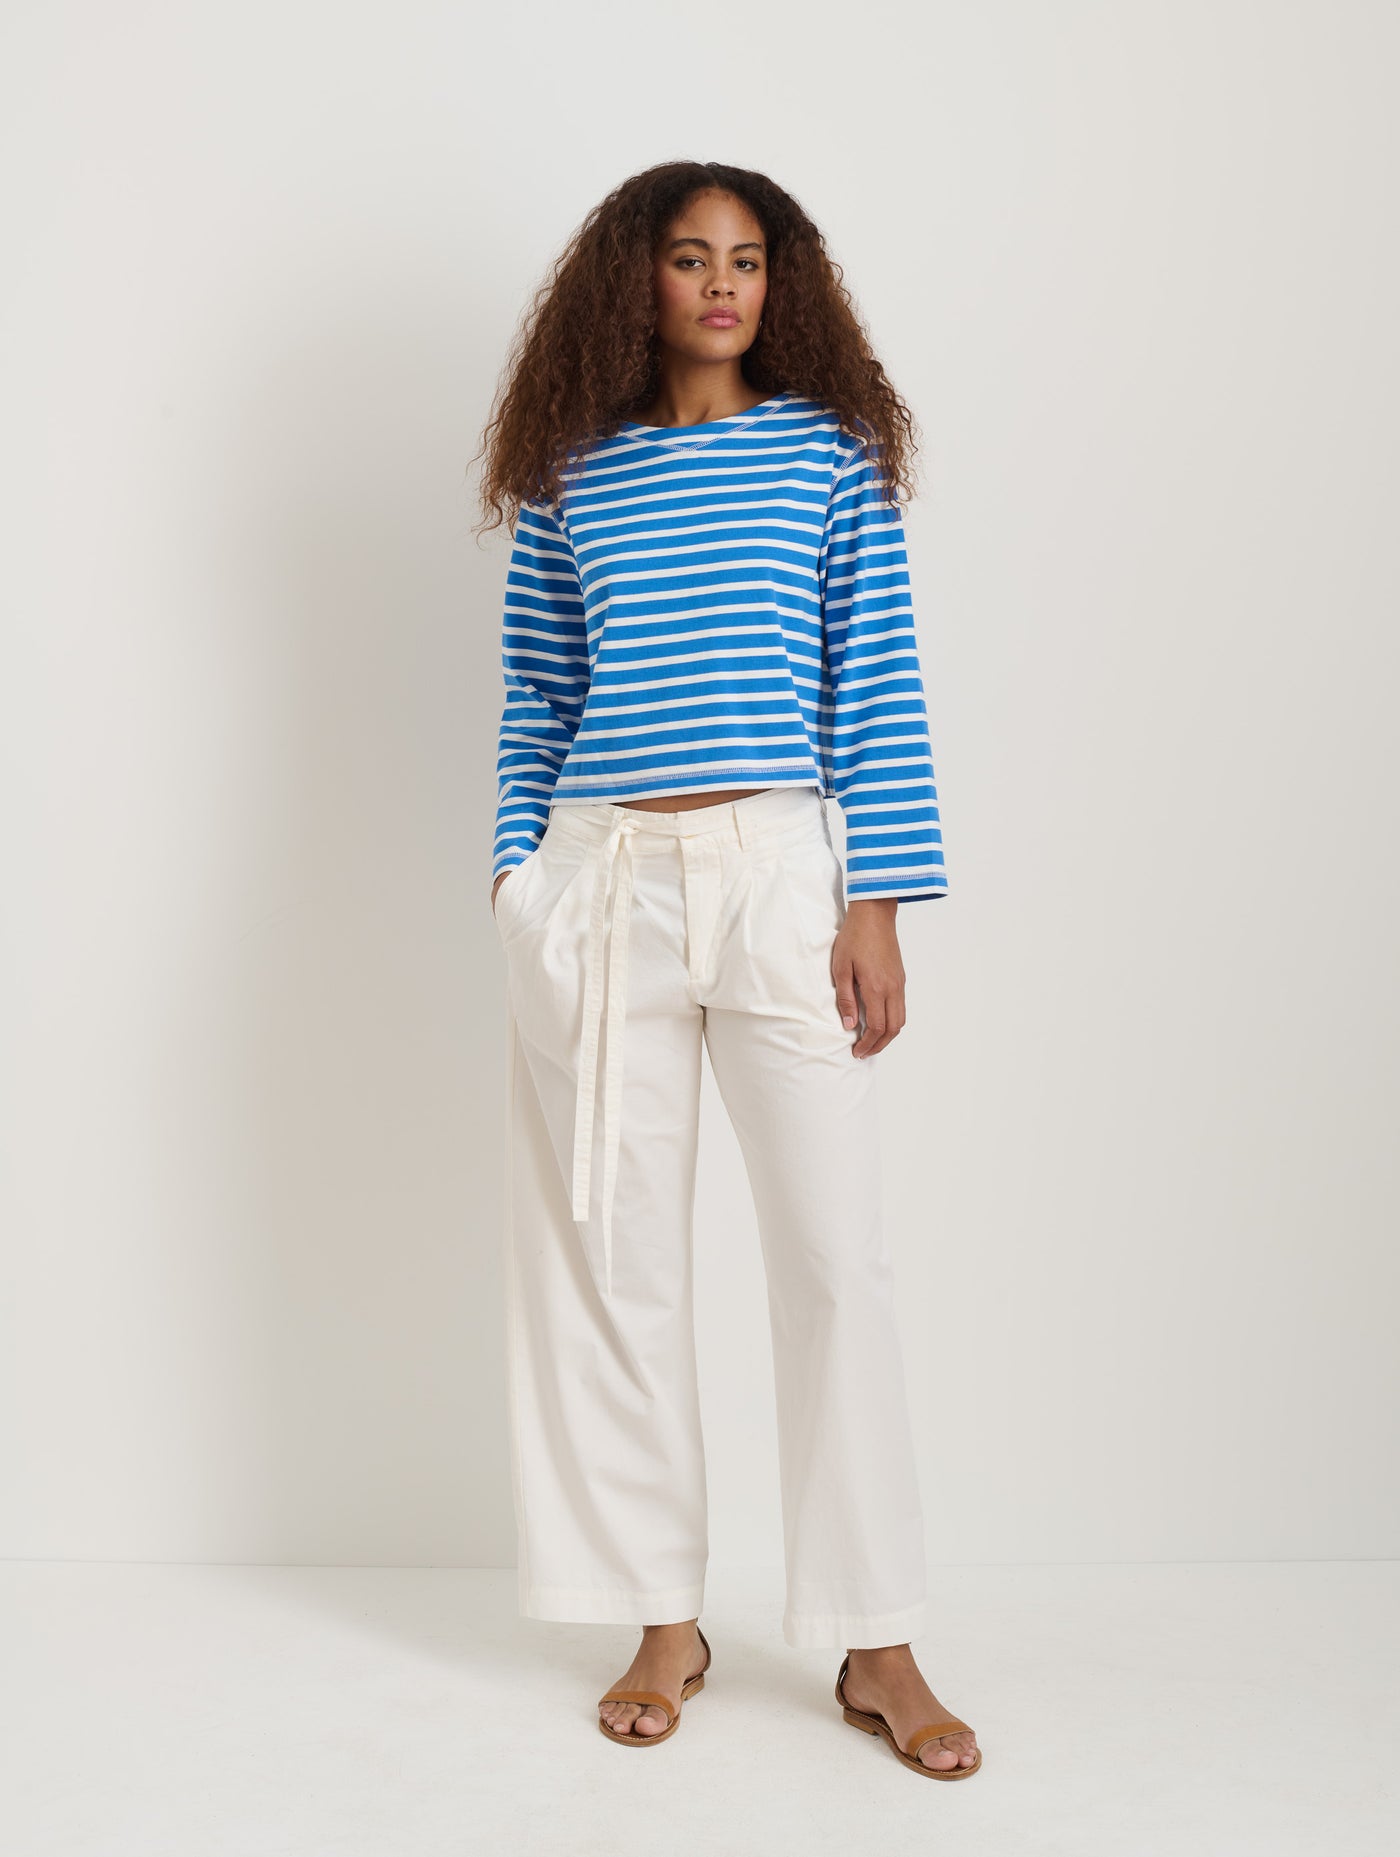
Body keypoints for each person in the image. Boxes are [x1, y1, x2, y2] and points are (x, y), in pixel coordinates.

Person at [472, 161, 981, 1780]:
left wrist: (877, 900)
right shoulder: (572, 469)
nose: (718, 285)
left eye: (746, 260)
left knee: (834, 1257)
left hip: (779, 877)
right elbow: (538, 690)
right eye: (689, 258)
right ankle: (662, 1616)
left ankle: (875, 1635)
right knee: (620, 1261)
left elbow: (875, 680)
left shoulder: (827, 456)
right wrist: (518, 882)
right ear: (634, 280)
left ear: (781, 283)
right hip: (602, 879)